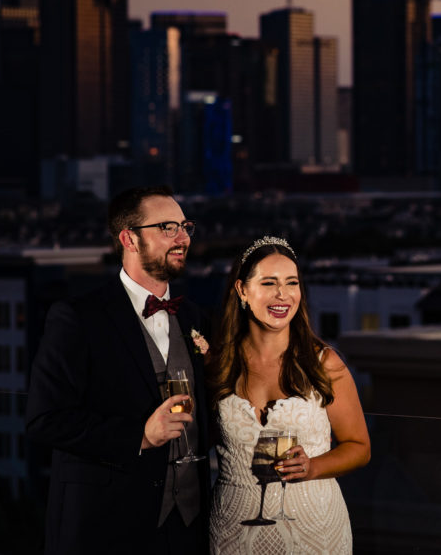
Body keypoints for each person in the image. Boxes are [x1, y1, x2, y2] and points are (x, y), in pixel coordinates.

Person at [26, 185, 211, 554]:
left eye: (185, 226)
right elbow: (44, 419)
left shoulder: (194, 316)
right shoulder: (78, 317)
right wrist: (140, 436)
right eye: (167, 227)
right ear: (129, 238)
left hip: (188, 528)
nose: (182, 237)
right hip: (107, 526)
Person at [207, 236, 370, 554]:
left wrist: (314, 467)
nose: (283, 294)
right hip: (231, 529)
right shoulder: (218, 364)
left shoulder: (324, 363)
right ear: (242, 290)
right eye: (269, 283)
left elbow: (360, 447)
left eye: (292, 283)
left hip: (313, 529)